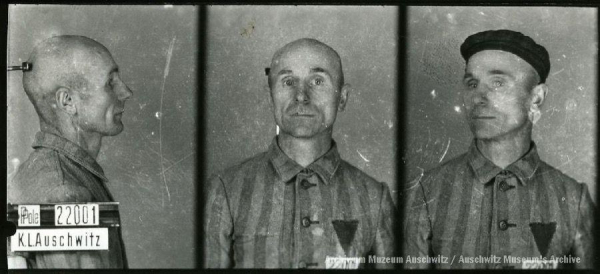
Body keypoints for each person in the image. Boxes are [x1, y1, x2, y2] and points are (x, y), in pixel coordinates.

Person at [403, 29, 595, 269]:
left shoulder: (574, 199)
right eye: (472, 83)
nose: (478, 98)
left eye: (498, 82)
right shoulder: (428, 191)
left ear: (536, 98)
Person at [204, 38, 395, 269]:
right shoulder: (226, 190)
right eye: (288, 81)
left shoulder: (375, 197)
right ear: (270, 97)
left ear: (342, 98)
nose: (301, 95)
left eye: (317, 81)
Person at [7, 35, 132, 268]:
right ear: (67, 102)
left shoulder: (53, 173)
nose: (126, 92)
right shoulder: (66, 194)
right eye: (110, 82)